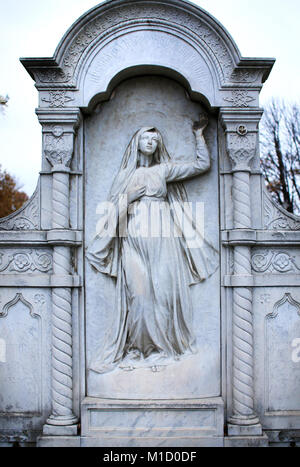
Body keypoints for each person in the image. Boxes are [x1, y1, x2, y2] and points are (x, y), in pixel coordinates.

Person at [87, 115, 218, 373]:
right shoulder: (125, 175)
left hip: (163, 238)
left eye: (155, 138)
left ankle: (162, 350)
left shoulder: (163, 170)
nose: (151, 141)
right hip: (133, 242)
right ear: (137, 142)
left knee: (165, 294)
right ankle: (136, 351)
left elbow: (201, 166)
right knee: (139, 296)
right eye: (146, 137)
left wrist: (198, 136)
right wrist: (129, 197)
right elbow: (111, 214)